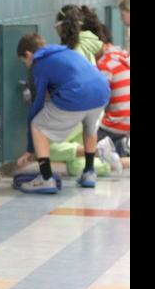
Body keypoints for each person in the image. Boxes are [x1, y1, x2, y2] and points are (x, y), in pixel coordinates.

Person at [13, 33, 110, 193]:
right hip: (101, 91)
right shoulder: (67, 52)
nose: (28, 66)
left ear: (28, 54)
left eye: (25, 62)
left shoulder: (39, 64)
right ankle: (89, 173)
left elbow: (37, 104)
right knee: (89, 126)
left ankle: (46, 179)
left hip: (77, 95)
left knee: (37, 126)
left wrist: (30, 149)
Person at [94, 25, 130, 172]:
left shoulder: (104, 63)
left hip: (118, 122)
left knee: (89, 145)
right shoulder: (124, 56)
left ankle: (115, 158)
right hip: (127, 121)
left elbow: (100, 98)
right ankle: (121, 151)